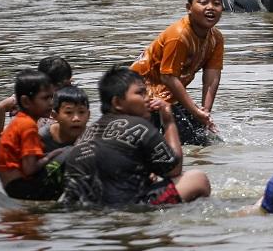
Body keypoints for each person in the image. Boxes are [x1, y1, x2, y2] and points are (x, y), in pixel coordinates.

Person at [61, 67, 211, 206]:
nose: (147, 98)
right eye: (140, 93)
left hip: (86, 211)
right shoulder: (139, 127)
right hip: (127, 207)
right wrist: (168, 121)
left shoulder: (87, 133)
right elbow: (174, 169)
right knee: (197, 179)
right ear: (117, 102)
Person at [131, 0, 224, 146]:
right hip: (141, 92)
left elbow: (212, 76)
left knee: (203, 140)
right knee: (174, 143)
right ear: (189, 8)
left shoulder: (216, 38)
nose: (210, 7)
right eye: (203, 2)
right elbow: (168, 77)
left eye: (216, 3)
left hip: (169, 95)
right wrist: (194, 111)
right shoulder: (179, 36)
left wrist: (204, 112)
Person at [0, 70, 64, 200]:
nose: (51, 103)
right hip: (20, 186)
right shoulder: (28, 126)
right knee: (67, 155)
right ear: (26, 102)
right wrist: (52, 155)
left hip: (10, 184)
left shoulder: (20, 120)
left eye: (51, 97)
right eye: (45, 98)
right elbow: (29, 169)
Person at [0, 56, 73, 138]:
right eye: (61, 85)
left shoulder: (64, 94)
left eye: (68, 83)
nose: (66, 87)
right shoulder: (30, 96)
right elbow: (0, 107)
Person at [39, 85, 90, 153]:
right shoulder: (42, 137)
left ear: (89, 115)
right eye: (69, 112)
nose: (76, 118)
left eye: (81, 112)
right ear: (55, 115)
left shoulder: (93, 138)